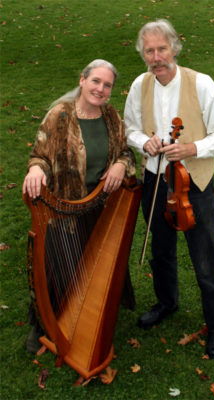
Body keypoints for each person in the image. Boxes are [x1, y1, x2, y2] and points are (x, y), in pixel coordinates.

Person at [124, 20, 214, 359]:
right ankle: (166, 302)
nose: (156, 57)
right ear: (143, 55)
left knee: (204, 258)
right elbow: (129, 128)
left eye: (161, 49)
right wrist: (146, 141)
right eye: (149, 51)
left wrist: (191, 149)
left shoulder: (202, 85)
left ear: (174, 48)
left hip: (193, 183)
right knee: (161, 250)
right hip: (156, 180)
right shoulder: (139, 85)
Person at [23, 59, 136, 352]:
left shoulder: (111, 117)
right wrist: (36, 171)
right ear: (83, 80)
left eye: (107, 85)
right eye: (95, 81)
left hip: (98, 204)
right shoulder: (60, 115)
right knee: (56, 267)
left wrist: (120, 166)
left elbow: (125, 151)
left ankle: (92, 305)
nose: (100, 89)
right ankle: (41, 324)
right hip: (64, 208)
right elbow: (40, 156)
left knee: (89, 261)